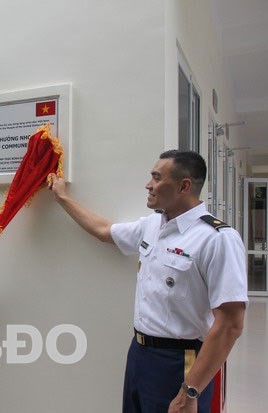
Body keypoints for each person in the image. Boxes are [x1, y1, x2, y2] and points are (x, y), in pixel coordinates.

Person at [48, 150, 247, 413]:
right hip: (140, 355)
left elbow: (231, 324)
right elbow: (103, 231)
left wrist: (190, 392)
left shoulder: (217, 239)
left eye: (156, 177)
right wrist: (63, 198)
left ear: (183, 186)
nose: (148, 185)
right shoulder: (153, 226)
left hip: (181, 362)